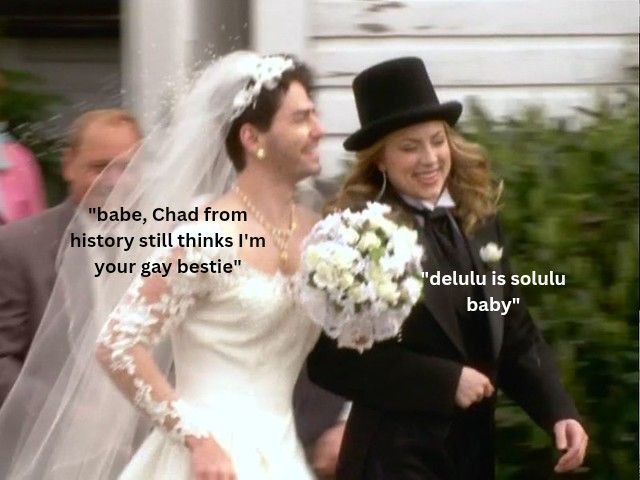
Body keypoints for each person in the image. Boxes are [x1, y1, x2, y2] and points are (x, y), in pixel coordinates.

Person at [0, 51, 343, 480]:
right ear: (253, 138)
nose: (318, 130)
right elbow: (118, 344)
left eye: (314, 115)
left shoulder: (323, 237)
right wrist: (196, 437)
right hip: (209, 462)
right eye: (300, 119)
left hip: (283, 453)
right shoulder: (206, 235)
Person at [307, 57, 588, 480]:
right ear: (380, 159)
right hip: (393, 459)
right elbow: (331, 362)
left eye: (436, 141)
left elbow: (513, 328)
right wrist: (442, 382)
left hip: (470, 457)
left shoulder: (478, 220)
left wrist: (557, 411)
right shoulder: (356, 234)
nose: (429, 158)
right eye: (409, 146)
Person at [0, 109, 142, 406]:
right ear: (69, 164)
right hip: (49, 437)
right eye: (100, 167)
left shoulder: (166, 243)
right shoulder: (17, 246)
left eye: (126, 168)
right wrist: (57, 421)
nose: (114, 180)